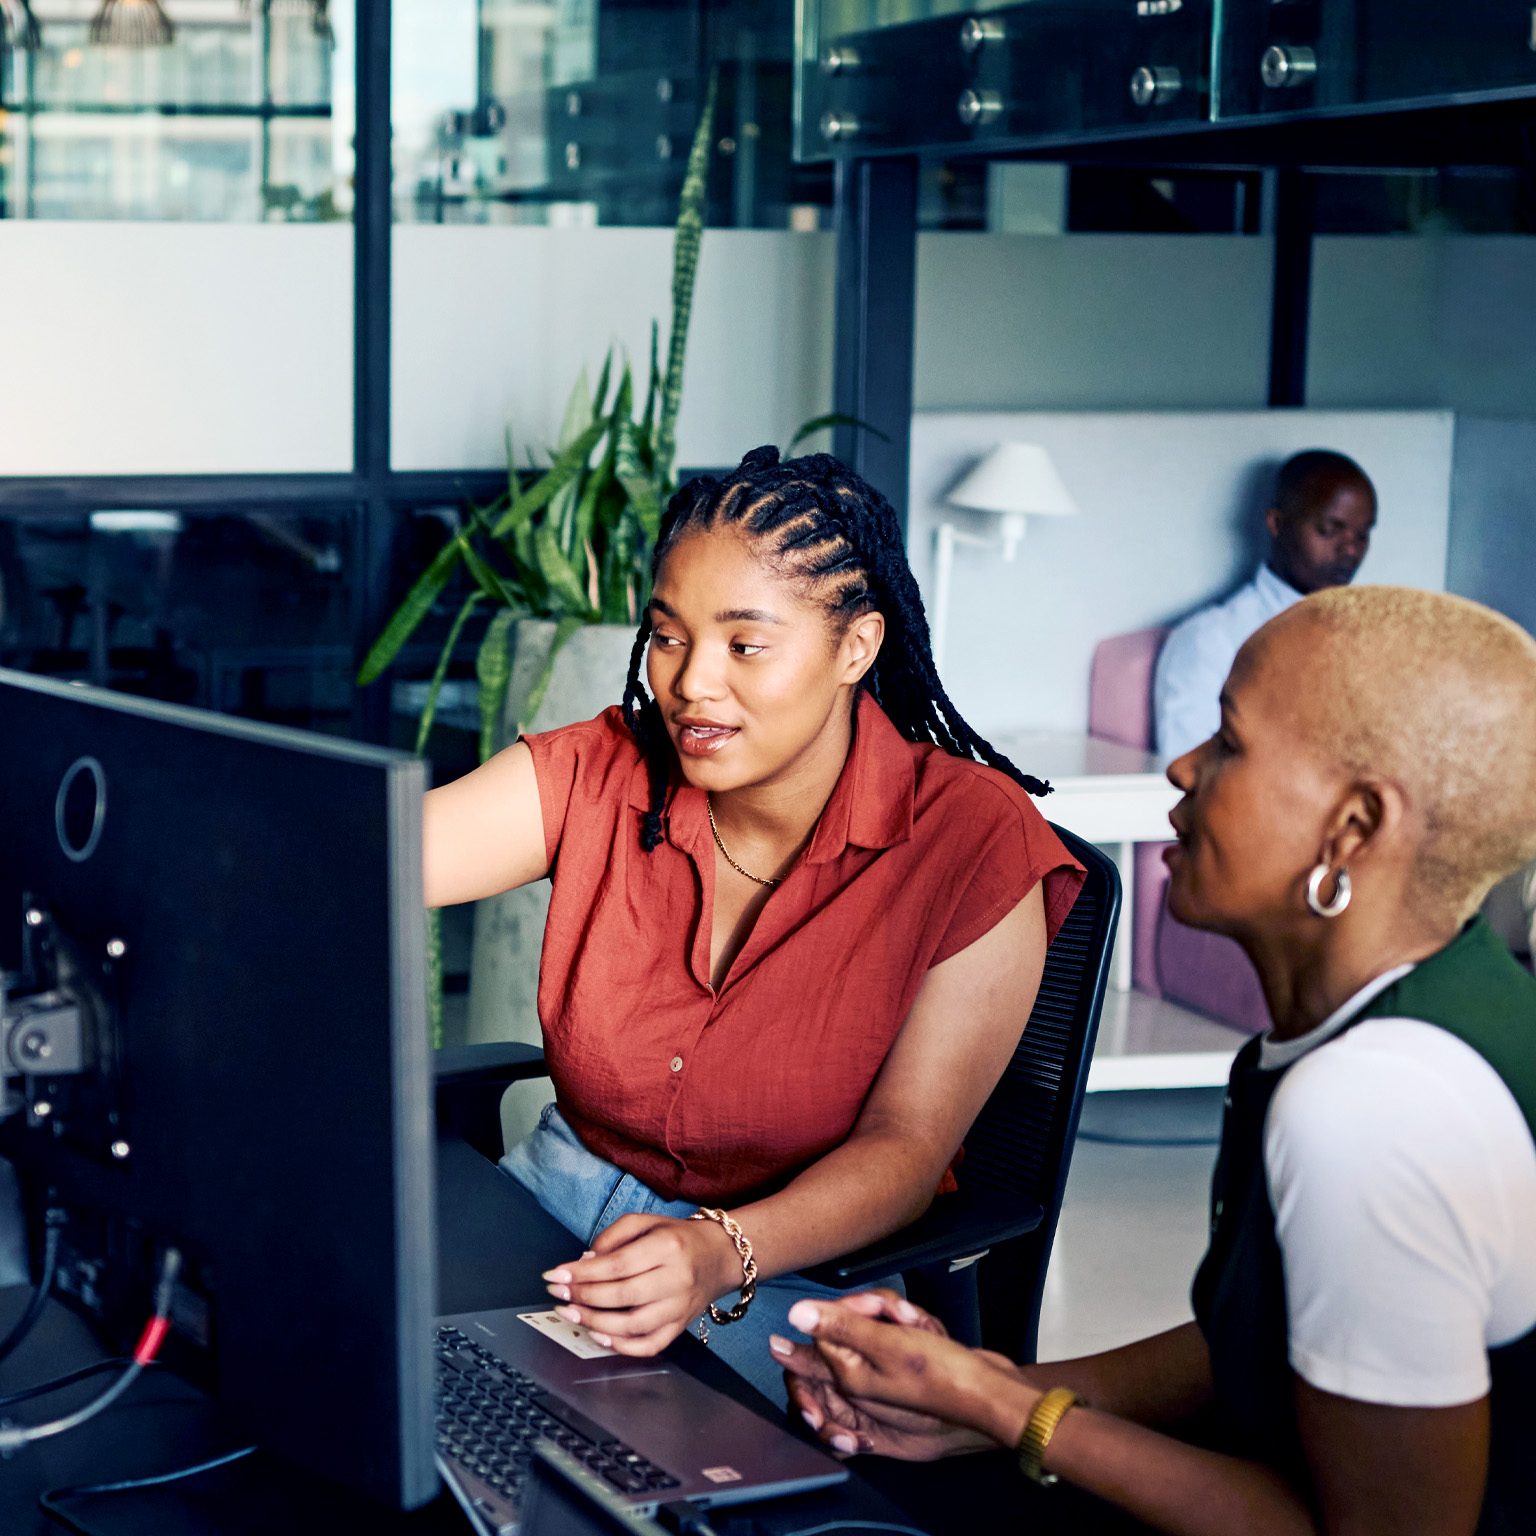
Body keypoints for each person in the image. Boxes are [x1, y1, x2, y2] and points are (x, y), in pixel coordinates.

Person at [777, 586, 1536, 1535]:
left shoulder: (1375, 1107)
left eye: (1228, 742)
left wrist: (1007, 1414)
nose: (1183, 766)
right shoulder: (1401, 1006)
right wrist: (982, 1391)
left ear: (1352, 828)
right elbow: (1272, 1338)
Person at [424, 447, 1084, 1403]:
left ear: (856, 648)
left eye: (745, 645)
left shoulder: (970, 842)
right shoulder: (606, 769)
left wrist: (717, 1251)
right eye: (667, 636)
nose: (690, 684)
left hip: (793, 1278)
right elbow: (363, 860)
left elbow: (906, 1151)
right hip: (555, 1208)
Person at [1154, 450, 1377, 760]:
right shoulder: (1211, 640)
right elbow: (1189, 774)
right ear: (1276, 523)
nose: (1351, 550)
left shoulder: (1374, 640)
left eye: (1363, 535)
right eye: (1330, 529)